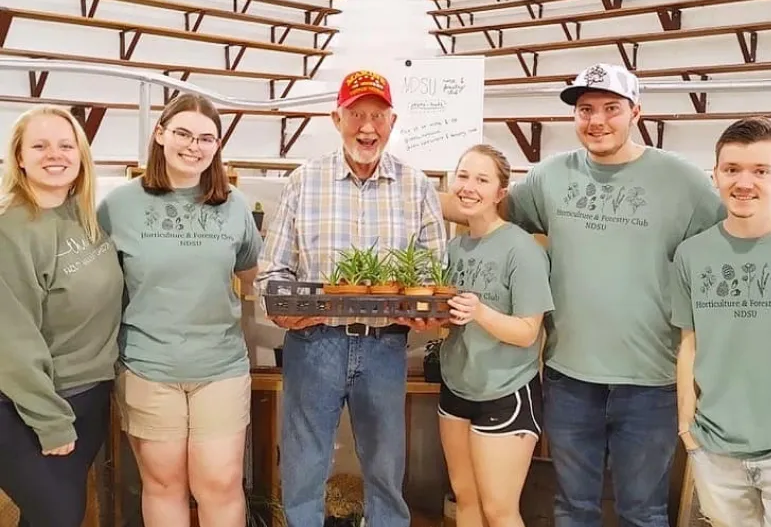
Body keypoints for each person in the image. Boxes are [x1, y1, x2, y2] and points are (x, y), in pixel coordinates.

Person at [440, 63, 726, 527]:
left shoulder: (682, 180)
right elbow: (484, 205)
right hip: (568, 378)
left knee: (643, 511)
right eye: (586, 109)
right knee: (573, 509)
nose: (597, 120)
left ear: (636, 112)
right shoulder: (550, 177)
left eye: (611, 108)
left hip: (650, 380)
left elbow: (725, 247)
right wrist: (414, 197)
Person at [257, 69, 447, 527]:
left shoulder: (416, 186)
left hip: (385, 346)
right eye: (356, 114)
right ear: (336, 118)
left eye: (378, 115)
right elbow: (272, 271)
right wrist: (283, 313)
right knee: (304, 469)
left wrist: (425, 313)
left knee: (385, 470)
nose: (367, 126)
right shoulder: (304, 181)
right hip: (313, 343)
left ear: (393, 121)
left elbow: (431, 273)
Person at [97, 93, 262, 527]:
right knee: (163, 483)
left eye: (206, 138)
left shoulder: (235, 205)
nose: (194, 146)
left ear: (218, 145)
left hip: (220, 365)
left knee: (221, 483)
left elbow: (254, 275)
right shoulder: (118, 206)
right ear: (160, 134)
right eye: (183, 134)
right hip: (148, 366)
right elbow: (97, 285)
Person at [671, 116, 771, 527]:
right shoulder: (691, 255)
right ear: (716, 175)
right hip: (715, 447)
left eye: (761, 171)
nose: (744, 182)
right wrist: (687, 428)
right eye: (732, 169)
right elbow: (689, 343)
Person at [0, 105, 123, 527]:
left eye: (66, 145)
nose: (55, 154)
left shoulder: (82, 215)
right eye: (40, 146)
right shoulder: (10, 229)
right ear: (19, 157)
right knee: (59, 517)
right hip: (24, 406)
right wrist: (50, 421)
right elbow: (11, 339)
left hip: (85, 396)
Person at [437, 144, 554, 527]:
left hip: (506, 394)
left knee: (499, 510)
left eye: (482, 180)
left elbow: (527, 333)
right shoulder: (453, 248)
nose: (469, 187)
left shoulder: (522, 249)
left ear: (500, 192)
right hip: (457, 387)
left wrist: (480, 312)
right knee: (466, 500)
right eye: (463, 176)